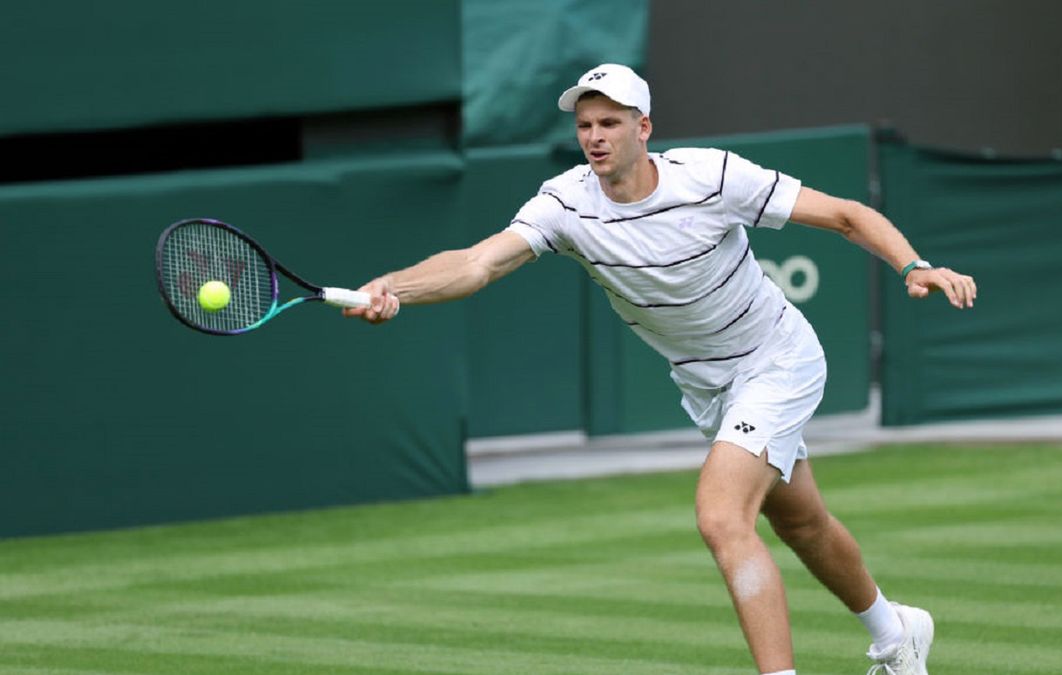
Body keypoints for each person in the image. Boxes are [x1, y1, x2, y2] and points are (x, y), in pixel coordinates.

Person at [345, 64, 976, 675]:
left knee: (722, 516)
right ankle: (898, 636)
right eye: (586, 124)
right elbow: (479, 263)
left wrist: (912, 266)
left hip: (777, 361)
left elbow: (846, 215)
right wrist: (396, 287)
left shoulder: (711, 177)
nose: (595, 136)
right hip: (707, 385)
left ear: (643, 127)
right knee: (798, 520)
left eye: (610, 123)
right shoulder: (565, 202)